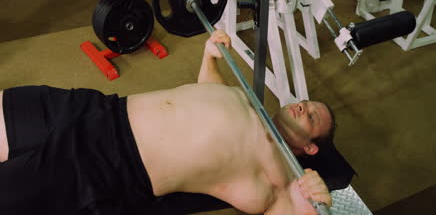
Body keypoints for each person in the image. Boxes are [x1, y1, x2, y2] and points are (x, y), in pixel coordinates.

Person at [0, 30, 335, 214]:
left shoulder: (277, 179)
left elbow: (290, 209)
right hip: (95, 108)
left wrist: (313, 199)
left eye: (311, 115)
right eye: (303, 103)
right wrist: (210, 57)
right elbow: (205, 91)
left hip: (101, 167)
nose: (301, 107)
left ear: (310, 146)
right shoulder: (247, 98)